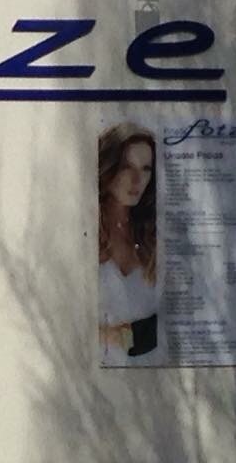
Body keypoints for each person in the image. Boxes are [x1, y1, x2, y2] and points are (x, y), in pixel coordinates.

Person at [97, 122, 159, 365]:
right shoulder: (84, 228)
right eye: (126, 167)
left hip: (149, 372)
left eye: (146, 169)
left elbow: (173, 319)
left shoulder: (153, 235)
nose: (137, 180)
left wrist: (118, 336)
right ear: (108, 166)